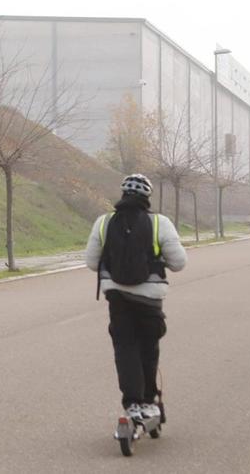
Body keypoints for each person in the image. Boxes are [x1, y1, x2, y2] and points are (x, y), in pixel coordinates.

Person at [85, 173, 187, 423]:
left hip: (117, 296)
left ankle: (132, 404)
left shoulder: (103, 222)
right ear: (147, 196)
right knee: (148, 348)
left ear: (122, 194)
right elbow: (179, 263)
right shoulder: (159, 223)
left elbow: (91, 263)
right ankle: (148, 402)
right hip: (150, 298)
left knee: (125, 348)